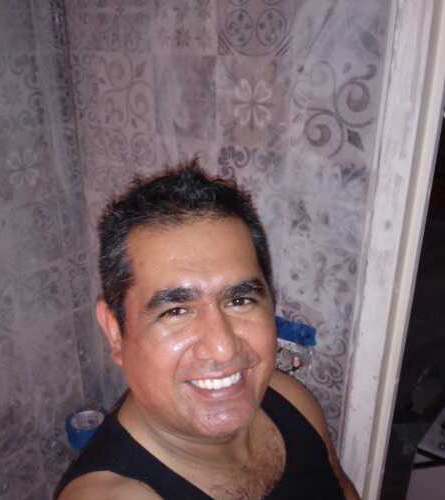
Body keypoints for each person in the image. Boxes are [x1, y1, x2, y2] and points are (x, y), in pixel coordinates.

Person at [56, 159, 360, 499]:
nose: (223, 348)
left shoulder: (293, 400)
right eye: (176, 311)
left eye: (240, 300)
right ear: (115, 331)